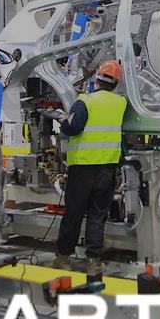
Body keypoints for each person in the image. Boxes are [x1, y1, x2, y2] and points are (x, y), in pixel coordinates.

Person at [49, 60, 127, 274]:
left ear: (97, 79)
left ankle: (63, 257)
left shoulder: (85, 101)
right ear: (116, 83)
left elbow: (72, 128)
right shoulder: (121, 103)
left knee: (73, 214)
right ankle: (94, 260)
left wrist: (62, 119)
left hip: (82, 168)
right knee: (97, 216)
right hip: (107, 168)